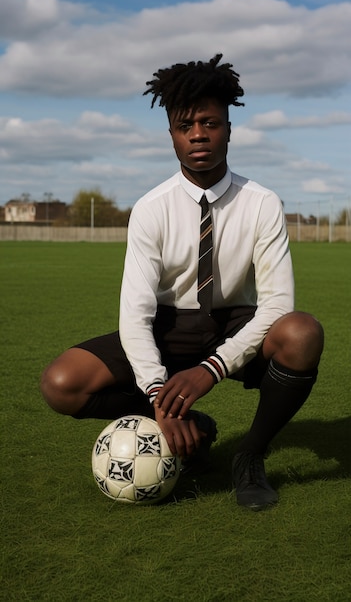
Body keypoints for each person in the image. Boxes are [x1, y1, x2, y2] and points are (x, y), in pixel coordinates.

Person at [41, 54, 324, 511]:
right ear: (171, 135)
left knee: (302, 332)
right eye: (184, 125)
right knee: (61, 383)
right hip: (170, 326)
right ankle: (190, 425)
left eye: (210, 123)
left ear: (228, 129)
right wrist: (158, 395)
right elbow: (136, 313)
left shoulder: (262, 203)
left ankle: (249, 455)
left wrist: (211, 368)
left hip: (235, 321)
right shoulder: (151, 208)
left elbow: (277, 305)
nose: (198, 134)